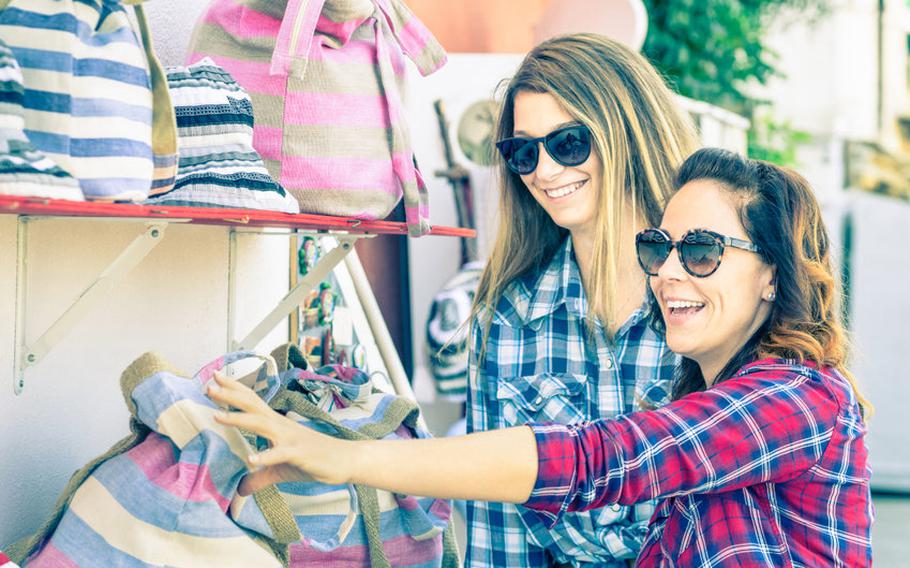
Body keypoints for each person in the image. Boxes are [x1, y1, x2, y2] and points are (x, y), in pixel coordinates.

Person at [209, 148, 874, 567]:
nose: (669, 271)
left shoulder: (802, 398)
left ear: (772, 275)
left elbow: (597, 459)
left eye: (700, 250)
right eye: (658, 248)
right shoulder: (702, 403)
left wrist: (349, 457)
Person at [471, 32, 698, 566]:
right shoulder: (505, 321)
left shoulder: (711, 294)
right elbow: (498, 536)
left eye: (568, 143)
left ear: (626, 131)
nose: (545, 171)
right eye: (523, 152)